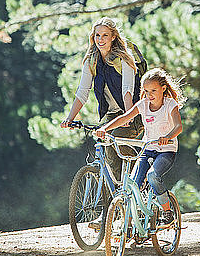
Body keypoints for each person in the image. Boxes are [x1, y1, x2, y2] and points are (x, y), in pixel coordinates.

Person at [96, 68, 185, 224]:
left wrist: (167, 137)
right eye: (146, 91)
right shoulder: (143, 104)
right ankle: (130, 224)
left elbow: (178, 126)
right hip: (147, 149)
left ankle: (167, 211)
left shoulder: (170, 104)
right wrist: (105, 128)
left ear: (163, 89)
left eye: (153, 90)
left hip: (166, 151)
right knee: (132, 184)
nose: (149, 94)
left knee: (152, 176)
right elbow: (124, 117)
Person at [60, 17, 144, 182]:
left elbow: (128, 89)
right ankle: (121, 193)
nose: (100, 39)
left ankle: (138, 181)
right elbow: (82, 92)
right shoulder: (91, 61)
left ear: (113, 37)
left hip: (134, 112)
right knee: (107, 148)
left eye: (105, 35)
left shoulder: (124, 58)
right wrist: (70, 118)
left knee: (117, 140)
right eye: (97, 35)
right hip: (112, 115)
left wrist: (128, 116)